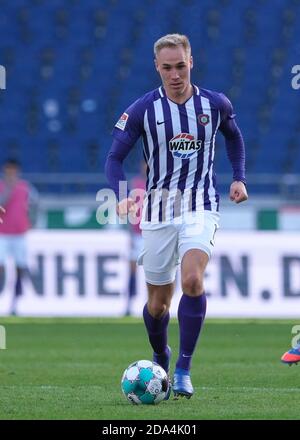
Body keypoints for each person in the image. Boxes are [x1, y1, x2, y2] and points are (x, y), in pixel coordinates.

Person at [105, 34, 248, 399]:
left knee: (193, 281)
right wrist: (121, 195)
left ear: (191, 62)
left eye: (180, 66)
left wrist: (238, 178)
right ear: (157, 67)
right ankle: (160, 355)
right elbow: (114, 159)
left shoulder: (215, 104)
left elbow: (234, 137)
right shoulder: (142, 110)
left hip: (200, 204)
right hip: (157, 211)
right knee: (157, 305)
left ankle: (183, 368)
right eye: (167, 67)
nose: (174, 74)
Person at [0, 159, 39, 315]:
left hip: (19, 234)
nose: (11, 174)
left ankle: (16, 302)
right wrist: (8, 189)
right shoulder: (2, 187)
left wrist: (33, 222)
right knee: (1, 267)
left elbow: (36, 204)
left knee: (20, 268)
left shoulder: (26, 188)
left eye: (13, 170)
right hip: (2, 234)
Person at [125, 162, 146, 316]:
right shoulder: (135, 184)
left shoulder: (161, 183)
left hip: (154, 235)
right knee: (132, 270)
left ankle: (153, 304)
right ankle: (129, 303)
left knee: (155, 272)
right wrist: (130, 234)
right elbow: (129, 211)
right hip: (138, 235)